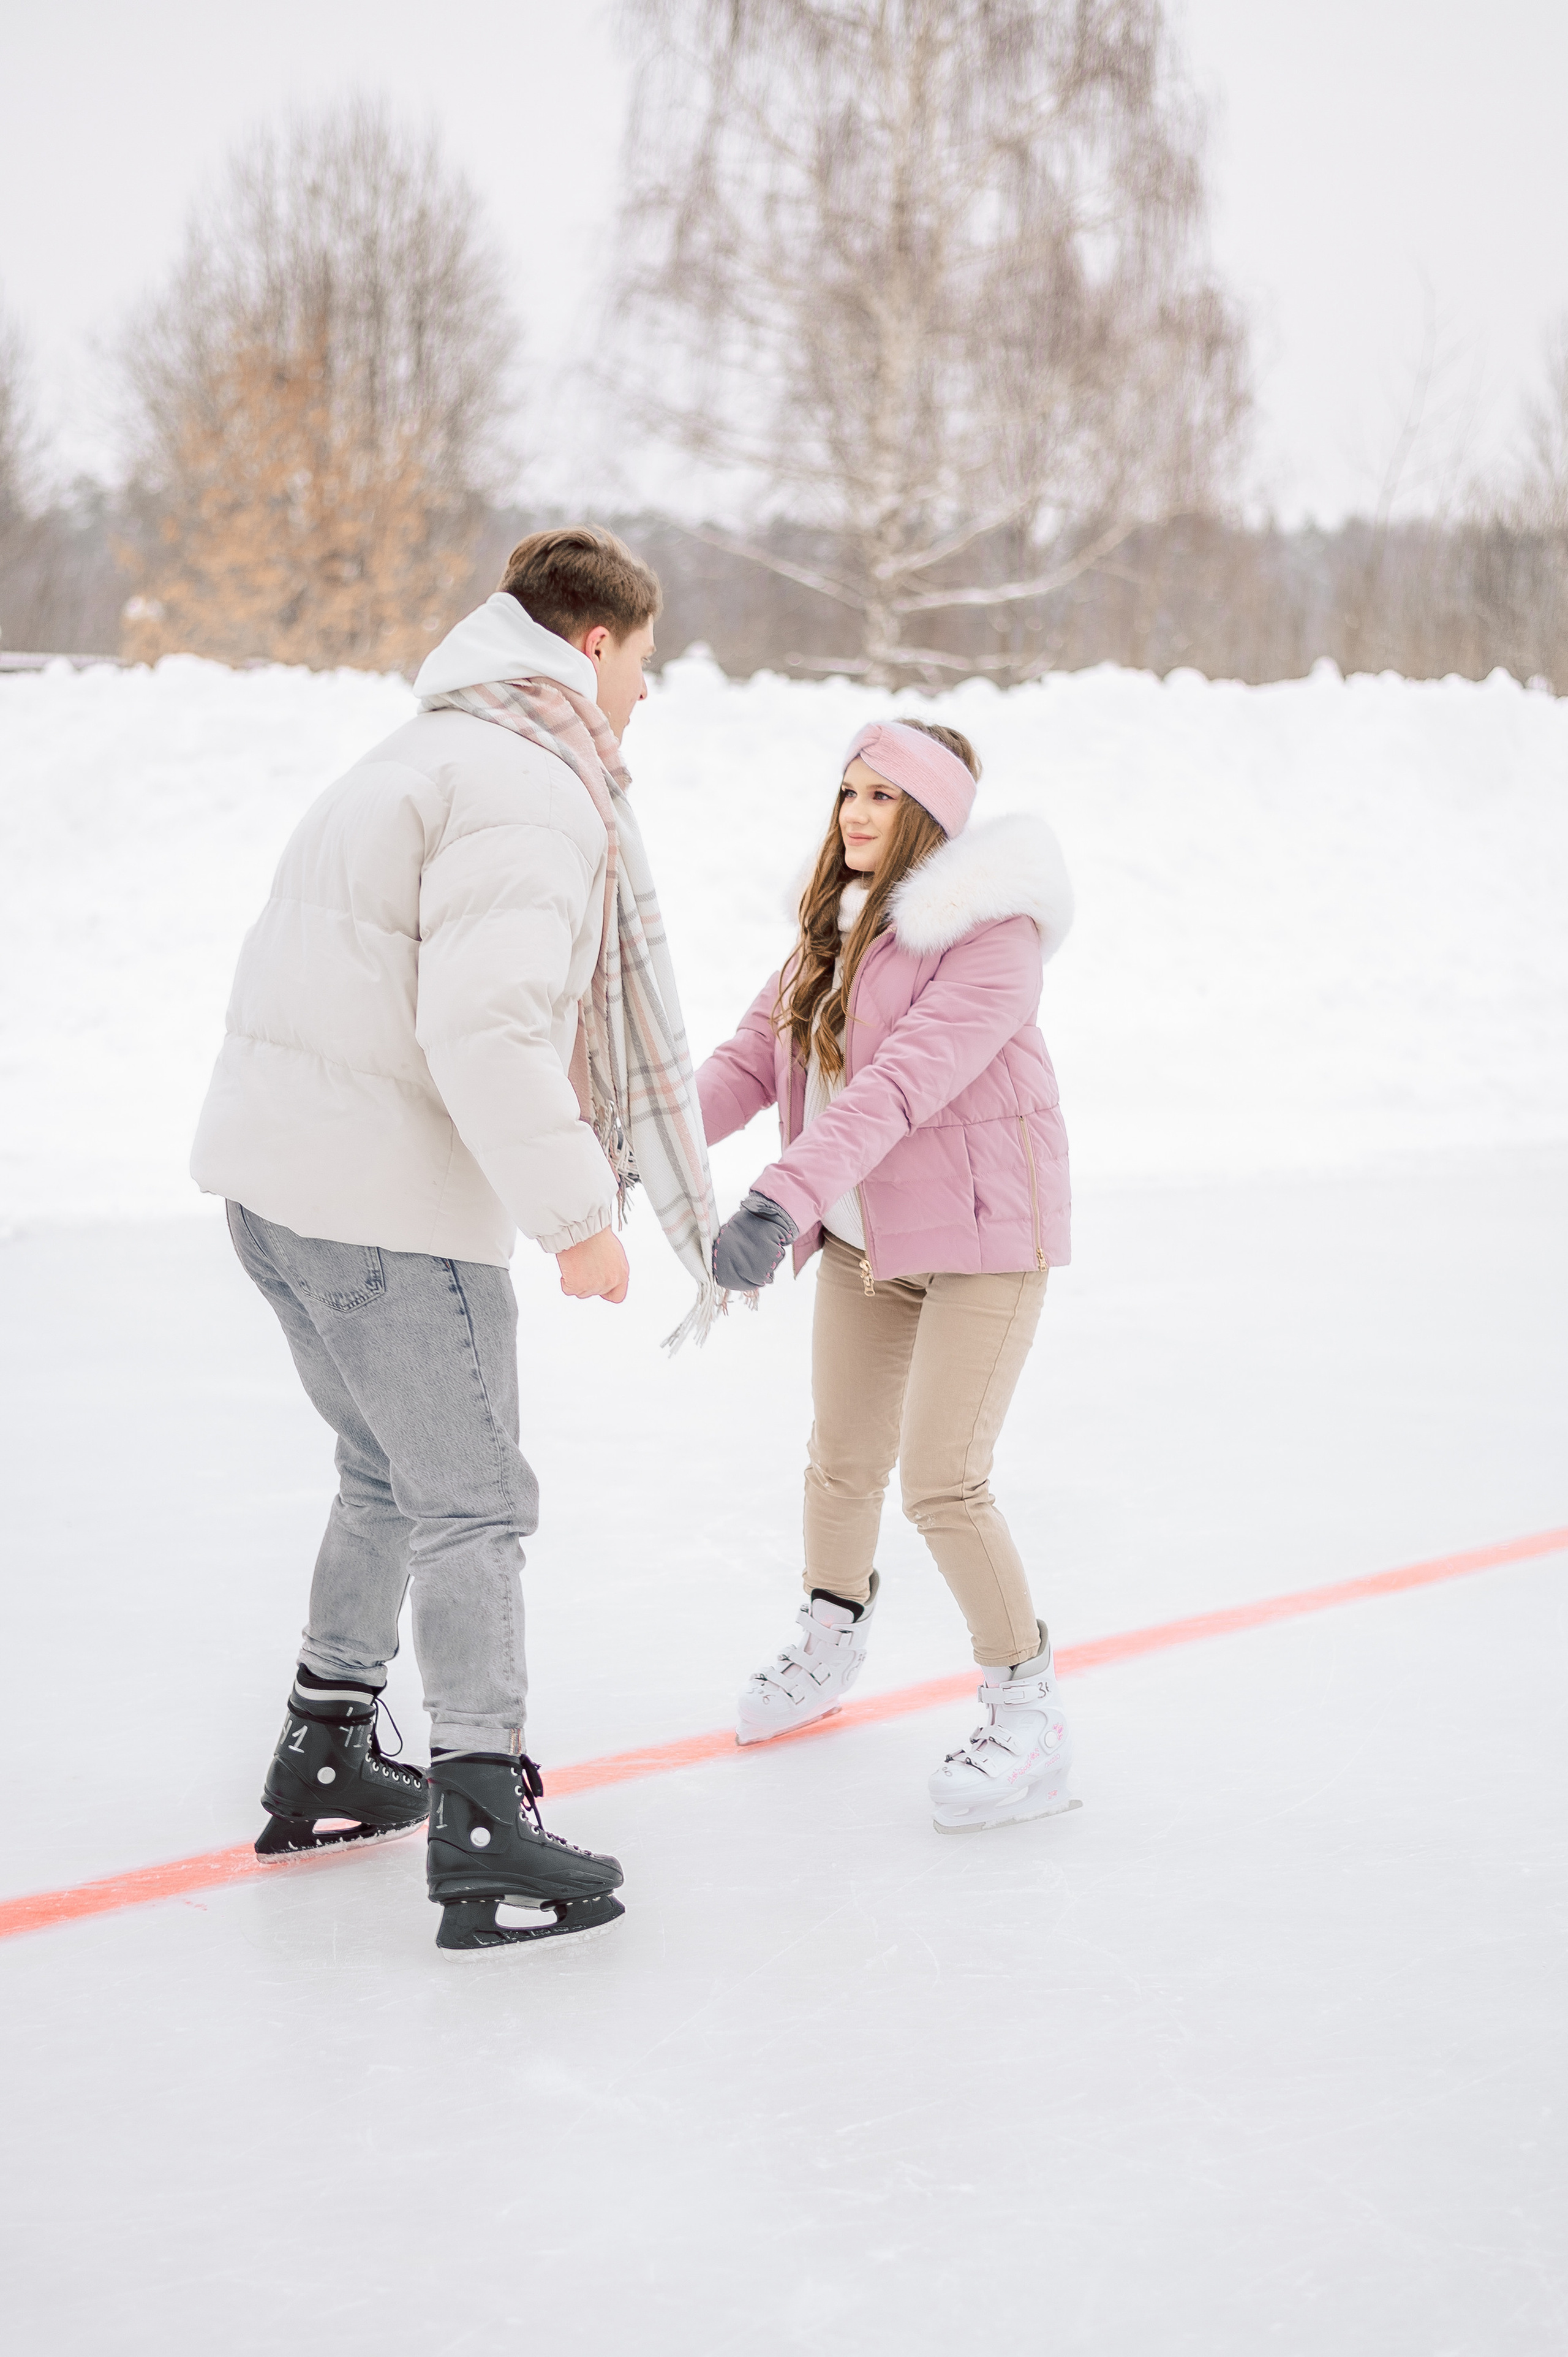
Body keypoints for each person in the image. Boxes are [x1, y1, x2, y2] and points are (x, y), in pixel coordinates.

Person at [190, 526, 720, 1954]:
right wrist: (578, 1219)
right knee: (474, 1502)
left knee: (385, 1473)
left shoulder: (418, 748)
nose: (645, 693)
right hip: (385, 1211)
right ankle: (482, 1817)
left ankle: (326, 1747)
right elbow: (483, 1029)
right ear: (592, 646)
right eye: (644, 660)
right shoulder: (529, 788)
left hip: (277, 1193)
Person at [697, 719, 1076, 1832]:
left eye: (882, 796)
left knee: (943, 1483)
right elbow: (748, 1062)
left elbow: (899, 1086)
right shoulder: (833, 930)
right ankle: (829, 1640)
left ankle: (1029, 1709)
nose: (855, 813)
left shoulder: (994, 939)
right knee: (843, 1459)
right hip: (870, 1245)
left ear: (933, 817)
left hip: (985, 1243)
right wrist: (628, 1141)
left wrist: (780, 1200)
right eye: (847, 792)